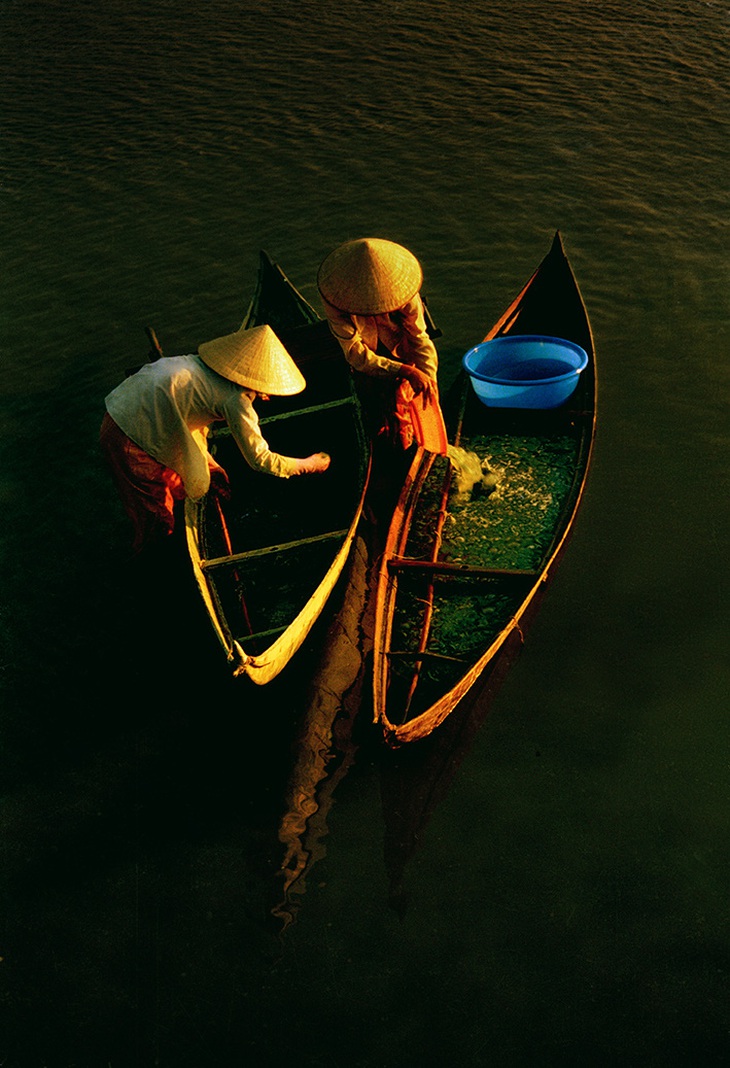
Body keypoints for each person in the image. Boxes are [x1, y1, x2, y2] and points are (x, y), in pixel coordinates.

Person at [100, 322, 330, 553]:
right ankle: (156, 557)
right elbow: (261, 461)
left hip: (130, 408)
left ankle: (185, 524)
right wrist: (310, 465)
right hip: (127, 433)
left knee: (213, 479)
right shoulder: (236, 400)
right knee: (157, 517)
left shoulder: (196, 361)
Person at [316, 237, 446, 453]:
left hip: (397, 345)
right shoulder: (336, 300)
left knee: (404, 402)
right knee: (374, 408)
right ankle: (382, 435)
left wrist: (427, 377)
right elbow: (355, 354)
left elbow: (419, 338)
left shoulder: (403, 293)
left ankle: (405, 437)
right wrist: (404, 370)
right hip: (366, 351)